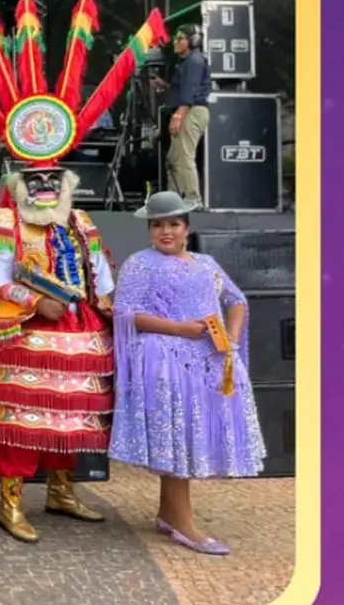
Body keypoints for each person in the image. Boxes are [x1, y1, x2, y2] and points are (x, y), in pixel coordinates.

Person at [0, 0, 168, 542]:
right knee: (22, 418)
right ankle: (11, 502)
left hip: (79, 328)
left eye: (52, 180)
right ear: (19, 183)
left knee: (73, 416)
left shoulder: (80, 221)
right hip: (25, 331)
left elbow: (99, 274)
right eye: (34, 181)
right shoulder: (1, 222)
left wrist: (113, 306)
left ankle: (63, 490)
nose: (44, 187)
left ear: (65, 183)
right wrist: (33, 301)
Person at [110, 191, 265, 555]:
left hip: (207, 361)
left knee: (189, 434)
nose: (166, 231)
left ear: (187, 229)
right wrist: (180, 329)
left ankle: (170, 512)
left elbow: (237, 300)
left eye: (173, 224)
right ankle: (183, 523)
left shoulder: (206, 263)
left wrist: (232, 339)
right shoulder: (140, 264)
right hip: (164, 360)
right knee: (180, 435)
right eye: (157, 225)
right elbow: (125, 312)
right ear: (149, 230)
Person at [154, 24, 211, 205]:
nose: (175, 42)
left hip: (192, 111)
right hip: (187, 109)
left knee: (184, 156)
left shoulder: (194, 61)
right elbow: (183, 88)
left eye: (180, 38)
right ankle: (174, 201)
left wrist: (179, 115)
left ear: (193, 41)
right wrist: (165, 86)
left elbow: (190, 91)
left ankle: (193, 199)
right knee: (173, 158)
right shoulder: (187, 62)